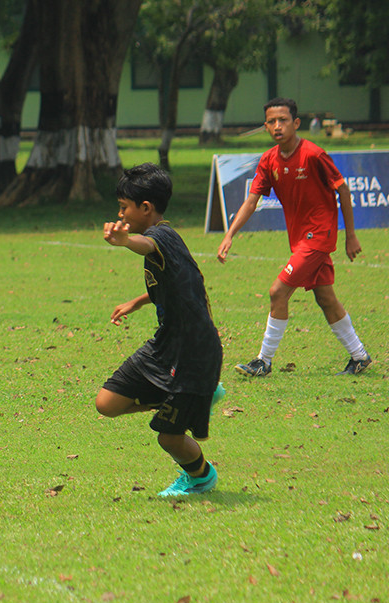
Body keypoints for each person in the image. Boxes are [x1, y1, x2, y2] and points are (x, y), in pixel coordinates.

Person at [217, 97, 371, 377]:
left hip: (319, 236)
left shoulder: (313, 154)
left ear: (296, 123)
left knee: (278, 291)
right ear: (266, 126)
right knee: (326, 298)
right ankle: (359, 356)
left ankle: (263, 361)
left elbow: (344, 191)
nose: (278, 126)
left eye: (283, 120)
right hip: (301, 239)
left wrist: (350, 236)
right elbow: (251, 201)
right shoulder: (268, 160)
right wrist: (230, 235)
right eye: (272, 122)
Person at [96, 163, 223, 497]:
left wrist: (125, 241)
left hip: (194, 354)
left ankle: (201, 476)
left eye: (124, 207)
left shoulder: (160, 236)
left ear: (146, 209)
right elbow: (185, 282)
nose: (120, 213)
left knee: (169, 437)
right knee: (106, 403)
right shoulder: (166, 240)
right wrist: (138, 302)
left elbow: (146, 245)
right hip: (165, 345)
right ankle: (198, 397)